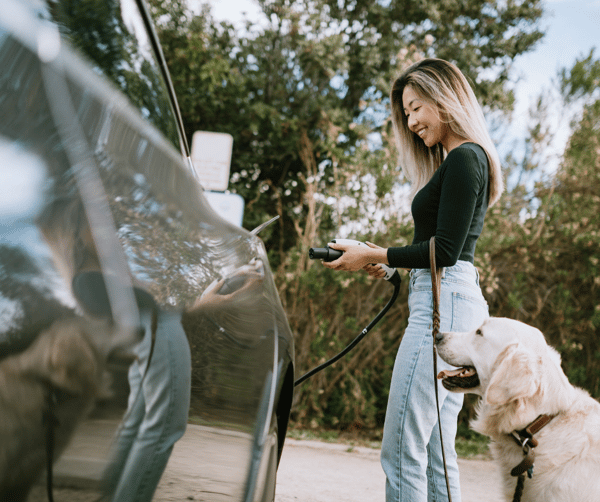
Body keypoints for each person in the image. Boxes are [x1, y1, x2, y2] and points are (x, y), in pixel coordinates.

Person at [322, 58, 503, 501]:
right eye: (406, 113)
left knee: (402, 445)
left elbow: (443, 253)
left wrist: (375, 251)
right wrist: (384, 263)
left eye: (416, 107)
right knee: (438, 451)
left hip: (445, 305)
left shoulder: (465, 157)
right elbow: (440, 251)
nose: (411, 121)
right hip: (455, 298)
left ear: (445, 98)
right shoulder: (463, 160)